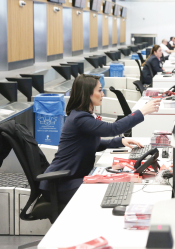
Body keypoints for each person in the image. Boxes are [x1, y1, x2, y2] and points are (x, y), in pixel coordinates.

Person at [39, 74, 161, 206]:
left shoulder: (82, 116)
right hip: (61, 183)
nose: (102, 94)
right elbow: (113, 128)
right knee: (107, 190)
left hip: (69, 178)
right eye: (99, 90)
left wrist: (120, 141)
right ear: (87, 94)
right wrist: (141, 112)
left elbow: (90, 144)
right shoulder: (80, 119)